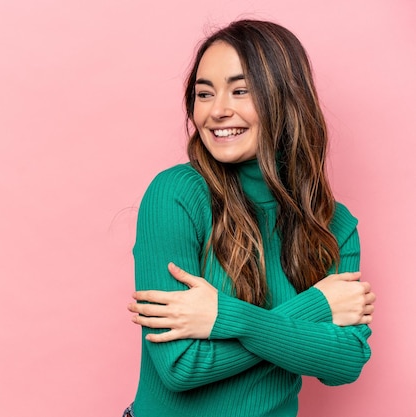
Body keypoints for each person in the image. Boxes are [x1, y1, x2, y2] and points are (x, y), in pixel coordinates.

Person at [124, 19, 376, 417]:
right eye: (203, 94)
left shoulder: (333, 225)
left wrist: (223, 318)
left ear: (285, 99)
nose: (217, 110)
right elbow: (180, 366)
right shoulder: (176, 196)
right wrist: (316, 307)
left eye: (240, 91)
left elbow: (345, 363)